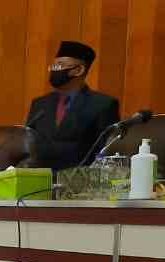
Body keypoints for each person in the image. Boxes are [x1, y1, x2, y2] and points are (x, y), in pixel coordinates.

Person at [26, 41, 120, 170]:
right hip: (39, 180)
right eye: (53, 66)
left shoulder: (102, 104)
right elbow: (28, 143)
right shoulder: (40, 105)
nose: (54, 70)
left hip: (80, 182)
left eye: (59, 66)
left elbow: (106, 150)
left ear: (79, 70)